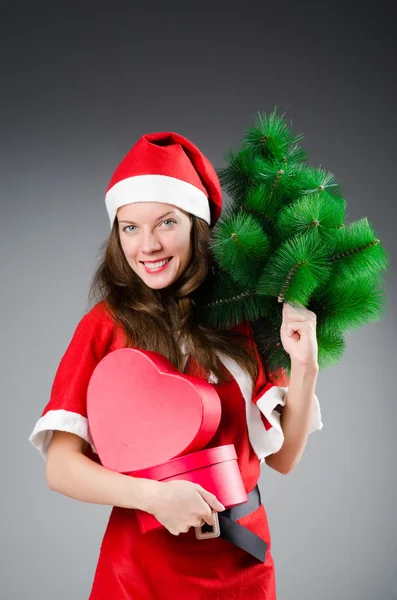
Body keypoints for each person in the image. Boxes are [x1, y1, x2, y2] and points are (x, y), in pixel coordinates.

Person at [29, 131, 323, 599]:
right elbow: (61, 467)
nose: (147, 245)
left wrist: (305, 367)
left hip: (240, 561)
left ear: (195, 225)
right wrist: (153, 497)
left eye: (165, 223)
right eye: (130, 227)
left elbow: (284, 458)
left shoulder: (245, 318)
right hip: (139, 567)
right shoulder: (103, 326)